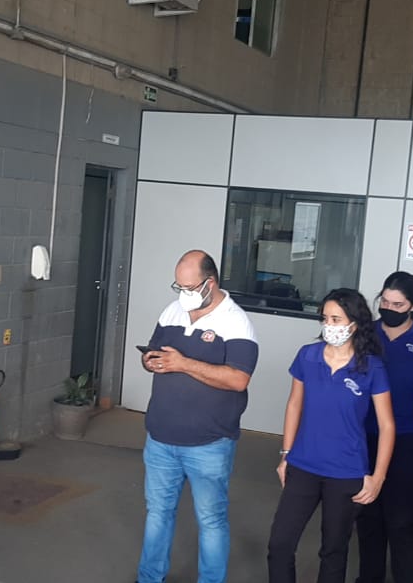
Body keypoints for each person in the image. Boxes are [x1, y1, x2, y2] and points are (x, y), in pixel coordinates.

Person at [136, 250, 259, 583]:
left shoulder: (236, 322)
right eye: (178, 286)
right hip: (160, 438)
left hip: (209, 444)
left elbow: (239, 379)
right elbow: (155, 350)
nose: (183, 294)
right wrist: (149, 361)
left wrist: (184, 364)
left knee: (211, 520)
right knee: (158, 513)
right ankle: (149, 577)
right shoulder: (172, 311)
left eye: (189, 287)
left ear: (210, 283)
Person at [267, 288, 395, 583]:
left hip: (346, 471)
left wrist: (378, 477)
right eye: (325, 318)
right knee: (280, 544)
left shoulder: (371, 367)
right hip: (303, 465)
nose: (329, 325)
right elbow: (294, 404)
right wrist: (285, 454)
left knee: (334, 551)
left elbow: (387, 425)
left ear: (354, 323)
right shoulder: (308, 356)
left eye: (336, 319)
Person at [355, 272, 413, 583]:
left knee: (403, 519)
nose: (389, 308)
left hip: (410, 439)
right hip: (365, 435)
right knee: (367, 513)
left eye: (398, 304)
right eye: (385, 301)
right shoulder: (365, 334)